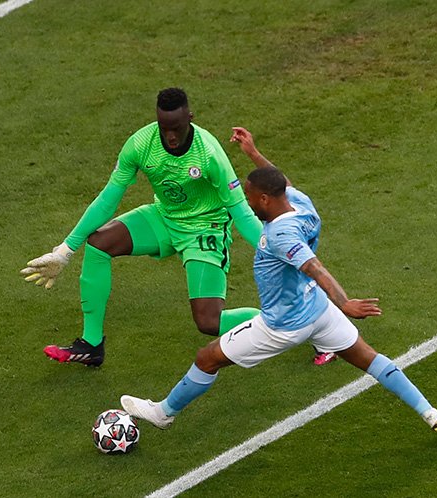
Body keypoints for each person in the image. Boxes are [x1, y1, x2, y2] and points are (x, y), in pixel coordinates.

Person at [119, 127, 437, 441]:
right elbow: (278, 180)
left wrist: (345, 302)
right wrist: (254, 154)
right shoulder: (300, 204)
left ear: (266, 200)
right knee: (372, 360)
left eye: (251, 197)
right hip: (317, 309)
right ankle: (432, 414)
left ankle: (163, 413)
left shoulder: (281, 234)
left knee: (207, 357)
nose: (247, 202)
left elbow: (315, 267)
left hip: (283, 324)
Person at [20, 88, 263, 366]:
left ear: (190, 119)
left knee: (209, 322)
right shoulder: (141, 144)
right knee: (99, 244)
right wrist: (65, 250)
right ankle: (91, 344)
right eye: (164, 128)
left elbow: (242, 214)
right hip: (164, 217)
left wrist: (279, 251)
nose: (170, 136)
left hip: (203, 229)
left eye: (177, 128)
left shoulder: (209, 154)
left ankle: (287, 318)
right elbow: (108, 200)